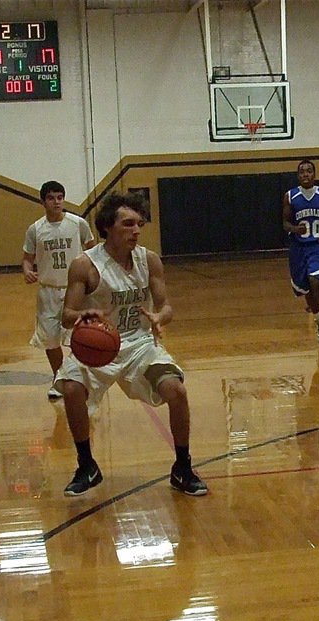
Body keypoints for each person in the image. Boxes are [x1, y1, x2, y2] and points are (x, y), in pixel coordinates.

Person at [55, 191, 207, 497]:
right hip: (98, 348)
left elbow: (167, 307)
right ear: (108, 227)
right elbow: (66, 315)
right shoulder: (85, 265)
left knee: (176, 390)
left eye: (139, 224)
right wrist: (83, 314)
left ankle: (182, 467)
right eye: (128, 224)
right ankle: (87, 465)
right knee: (70, 388)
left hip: (139, 345)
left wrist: (158, 316)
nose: (136, 230)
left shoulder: (148, 260)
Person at [23, 181, 96, 400]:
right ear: (43, 201)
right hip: (48, 291)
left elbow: (93, 251)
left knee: (79, 338)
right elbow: (27, 259)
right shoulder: (35, 229)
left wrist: (94, 277)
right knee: (51, 339)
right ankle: (58, 378)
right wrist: (27, 271)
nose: (57, 202)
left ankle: (79, 377)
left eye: (60, 197)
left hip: (75, 290)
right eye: (52, 198)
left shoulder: (78, 223)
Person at [283, 160, 319, 343]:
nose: (305, 174)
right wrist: (294, 229)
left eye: (309, 171)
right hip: (299, 248)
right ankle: (318, 321)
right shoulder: (290, 196)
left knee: (315, 280)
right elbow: (285, 223)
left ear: (314, 175)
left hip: (318, 246)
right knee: (306, 289)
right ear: (298, 175)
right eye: (302, 172)